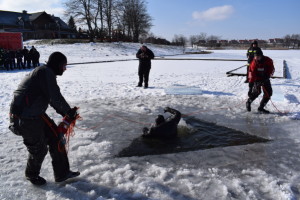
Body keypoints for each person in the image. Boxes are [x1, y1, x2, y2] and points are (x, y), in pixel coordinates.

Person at [8, 52, 80, 186]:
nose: (65, 68)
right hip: (24, 118)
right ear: (57, 65)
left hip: (36, 114)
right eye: (64, 65)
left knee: (56, 138)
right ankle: (32, 175)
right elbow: (54, 97)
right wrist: (68, 112)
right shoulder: (45, 72)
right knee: (39, 150)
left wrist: (67, 113)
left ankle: (62, 173)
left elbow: (52, 97)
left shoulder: (45, 72)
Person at [246, 49, 275, 114]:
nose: (256, 58)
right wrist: (250, 87)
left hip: (266, 78)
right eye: (255, 56)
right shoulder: (253, 63)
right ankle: (248, 102)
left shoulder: (268, 60)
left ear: (261, 56)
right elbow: (251, 75)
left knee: (269, 93)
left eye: (258, 56)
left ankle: (261, 108)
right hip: (257, 79)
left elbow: (272, 70)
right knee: (257, 92)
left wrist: (267, 77)